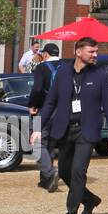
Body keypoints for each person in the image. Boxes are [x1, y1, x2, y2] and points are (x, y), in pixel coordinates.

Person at [31, 36, 108, 214]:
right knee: (64, 172)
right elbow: (50, 103)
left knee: (79, 170)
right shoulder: (62, 74)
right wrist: (37, 128)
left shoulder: (101, 75)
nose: (95, 55)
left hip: (86, 131)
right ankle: (90, 200)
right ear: (78, 52)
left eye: (96, 51)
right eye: (91, 51)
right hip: (64, 130)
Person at [28, 43, 61, 191]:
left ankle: (50, 172)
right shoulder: (67, 66)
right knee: (50, 145)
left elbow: (37, 89)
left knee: (36, 143)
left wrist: (32, 104)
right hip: (63, 110)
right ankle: (45, 180)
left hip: (45, 109)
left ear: (46, 54)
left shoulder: (42, 67)